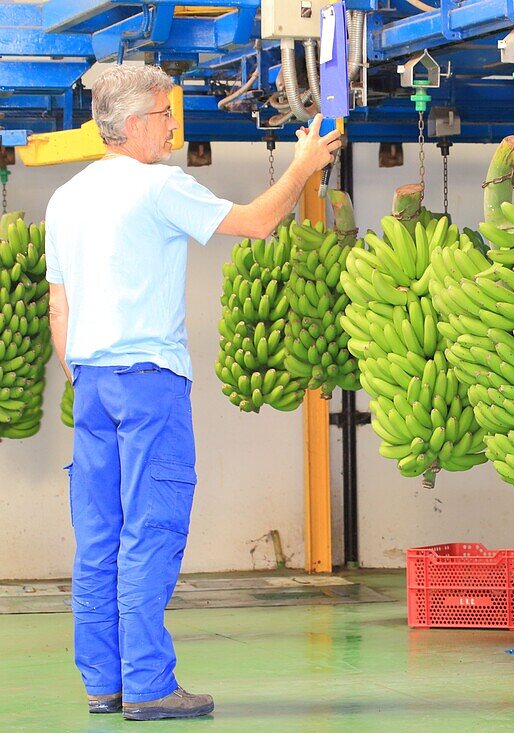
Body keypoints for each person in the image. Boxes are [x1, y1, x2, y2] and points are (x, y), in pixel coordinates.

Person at [45, 64, 341, 721]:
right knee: (149, 531)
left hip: (92, 384)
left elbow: (58, 307)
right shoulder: (157, 188)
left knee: (99, 539)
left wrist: (87, 375)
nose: (174, 125)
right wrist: (303, 165)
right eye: (165, 114)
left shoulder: (66, 199)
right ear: (134, 124)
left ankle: (104, 682)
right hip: (149, 383)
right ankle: (148, 685)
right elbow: (259, 223)